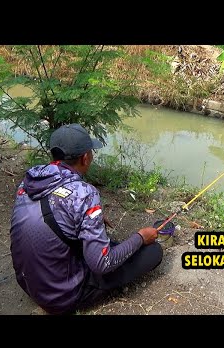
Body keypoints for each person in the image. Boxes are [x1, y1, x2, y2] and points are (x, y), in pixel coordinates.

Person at [10, 124, 162, 315]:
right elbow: (102, 264)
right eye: (91, 152)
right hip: (62, 297)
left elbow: (55, 210)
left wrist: (85, 217)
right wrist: (141, 237)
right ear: (85, 157)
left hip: (28, 283)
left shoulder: (29, 181)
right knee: (153, 252)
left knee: (108, 244)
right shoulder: (84, 194)